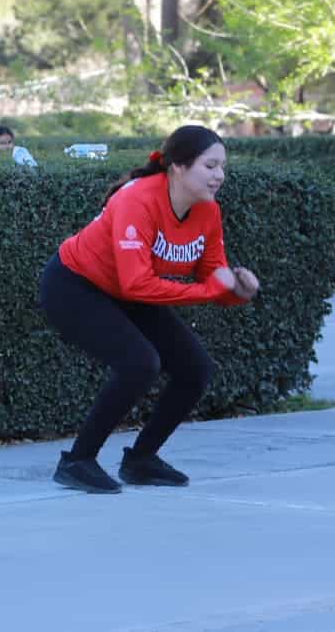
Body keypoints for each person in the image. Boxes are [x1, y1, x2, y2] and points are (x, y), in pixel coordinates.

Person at [38, 125, 259, 494]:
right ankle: (77, 461)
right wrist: (210, 289)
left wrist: (238, 291)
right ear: (178, 167)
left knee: (195, 369)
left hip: (129, 289)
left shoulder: (208, 212)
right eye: (210, 165)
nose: (219, 175)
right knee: (139, 362)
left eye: (223, 166)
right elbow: (136, 283)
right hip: (73, 285)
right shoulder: (136, 200)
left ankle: (141, 460)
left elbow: (212, 278)